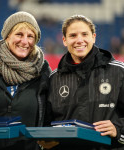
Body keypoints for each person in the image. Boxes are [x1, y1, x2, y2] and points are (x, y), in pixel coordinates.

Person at [44, 14, 124, 150]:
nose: (79, 40)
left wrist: (119, 130)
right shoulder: (53, 79)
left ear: (93, 37)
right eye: (73, 35)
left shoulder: (118, 72)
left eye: (84, 34)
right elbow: (47, 125)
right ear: (64, 40)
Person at [0, 11, 51, 150]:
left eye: (30, 36)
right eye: (19, 34)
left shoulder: (43, 72)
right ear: (7, 35)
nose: (25, 41)